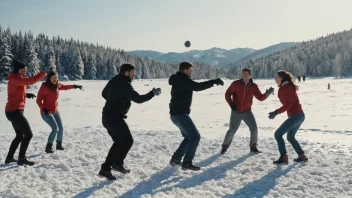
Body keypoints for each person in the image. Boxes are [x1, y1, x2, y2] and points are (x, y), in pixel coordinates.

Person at [98, 63, 161, 180]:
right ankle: (117, 164)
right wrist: (152, 93)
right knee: (127, 141)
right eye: (133, 73)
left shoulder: (114, 80)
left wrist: (115, 100)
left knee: (118, 142)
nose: (134, 75)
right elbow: (138, 99)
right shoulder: (124, 84)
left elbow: (104, 94)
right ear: (127, 73)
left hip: (106, 116)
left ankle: (106, 169)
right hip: (114, 117)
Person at [168, 61, 224, 171]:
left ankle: (176, 159)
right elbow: (197, 87)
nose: (191, 73)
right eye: (190, 70)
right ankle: (187, 163)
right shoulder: (183, 79)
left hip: (175, 115)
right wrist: (213, 81)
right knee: (195, 137)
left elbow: (195, 86)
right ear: (185, 70)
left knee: (189, 137)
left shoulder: (178, 79)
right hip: (180, 115)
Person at [221, 68, 274, 155]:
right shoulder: (236, 84)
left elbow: (260, 98)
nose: (244, 75)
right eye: (243, 73)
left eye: (246, 74)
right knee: (231, 130)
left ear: (250, 75)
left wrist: (267, 93)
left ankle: (253, 147)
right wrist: (231, 103)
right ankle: (224, 147)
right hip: (236, 111)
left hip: (247, 112)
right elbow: (227, 93)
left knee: (254, 129)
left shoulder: (253, 86)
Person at [4, 60, 46, 166]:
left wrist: (26, 95)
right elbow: (31, 81)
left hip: (12, 111)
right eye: (23, 70)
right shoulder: (16, 78)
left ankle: (9, 157)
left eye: (26, 70)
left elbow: (15, 91)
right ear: (18, 70)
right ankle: (21, 158)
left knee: (19, 135)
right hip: (15, 112)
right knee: (28, 134)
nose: (25, 72)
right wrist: (42, 74)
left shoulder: (16, 79)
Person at [36, 71, 83, 153]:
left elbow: (65, 87)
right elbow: (38, 100)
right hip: (46, 112)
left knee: (60, 128)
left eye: (56, 77)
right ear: (49, 78)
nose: (55, 79)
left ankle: (58, 145)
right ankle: (48, 147)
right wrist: (43, 108)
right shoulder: (44, 87)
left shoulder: (57, 85)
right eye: (53, 77)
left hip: (54, 110)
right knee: (55, 128)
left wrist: (75, 86)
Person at [268, 70, 308, 164]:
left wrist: (276, 112)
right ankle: (302, 156)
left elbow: (289, 104)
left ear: (281, 78)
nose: (275, 79)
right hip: (299, 116)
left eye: (277, 77)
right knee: (290, 137)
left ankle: (284, 157)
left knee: (278, 134)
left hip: (296, 115)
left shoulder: (287, 87)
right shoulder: (283, 88)